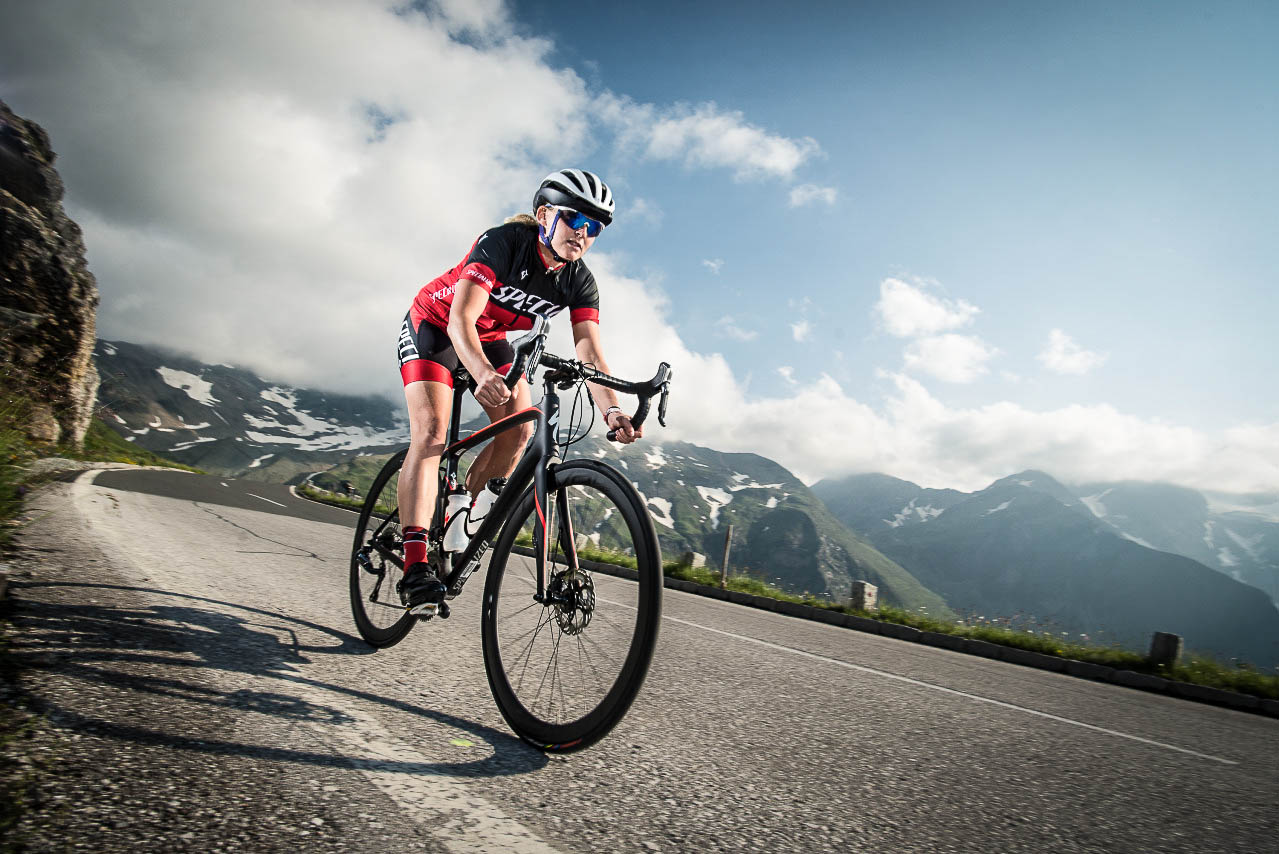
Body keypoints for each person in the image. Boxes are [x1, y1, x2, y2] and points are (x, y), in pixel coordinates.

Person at [395, 169, 642, 612]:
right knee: (431, 435)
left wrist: (612, 412)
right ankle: (415, 567)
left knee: (520, 432)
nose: (584, 234)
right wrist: (482, 372)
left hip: (490, 340)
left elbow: (590, 352)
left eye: (595, 227)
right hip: (435, 327)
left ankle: (455, 519)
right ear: (545, 214)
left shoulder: (579, 281)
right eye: (575, 220)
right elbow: (460, 320)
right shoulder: (503, 242)